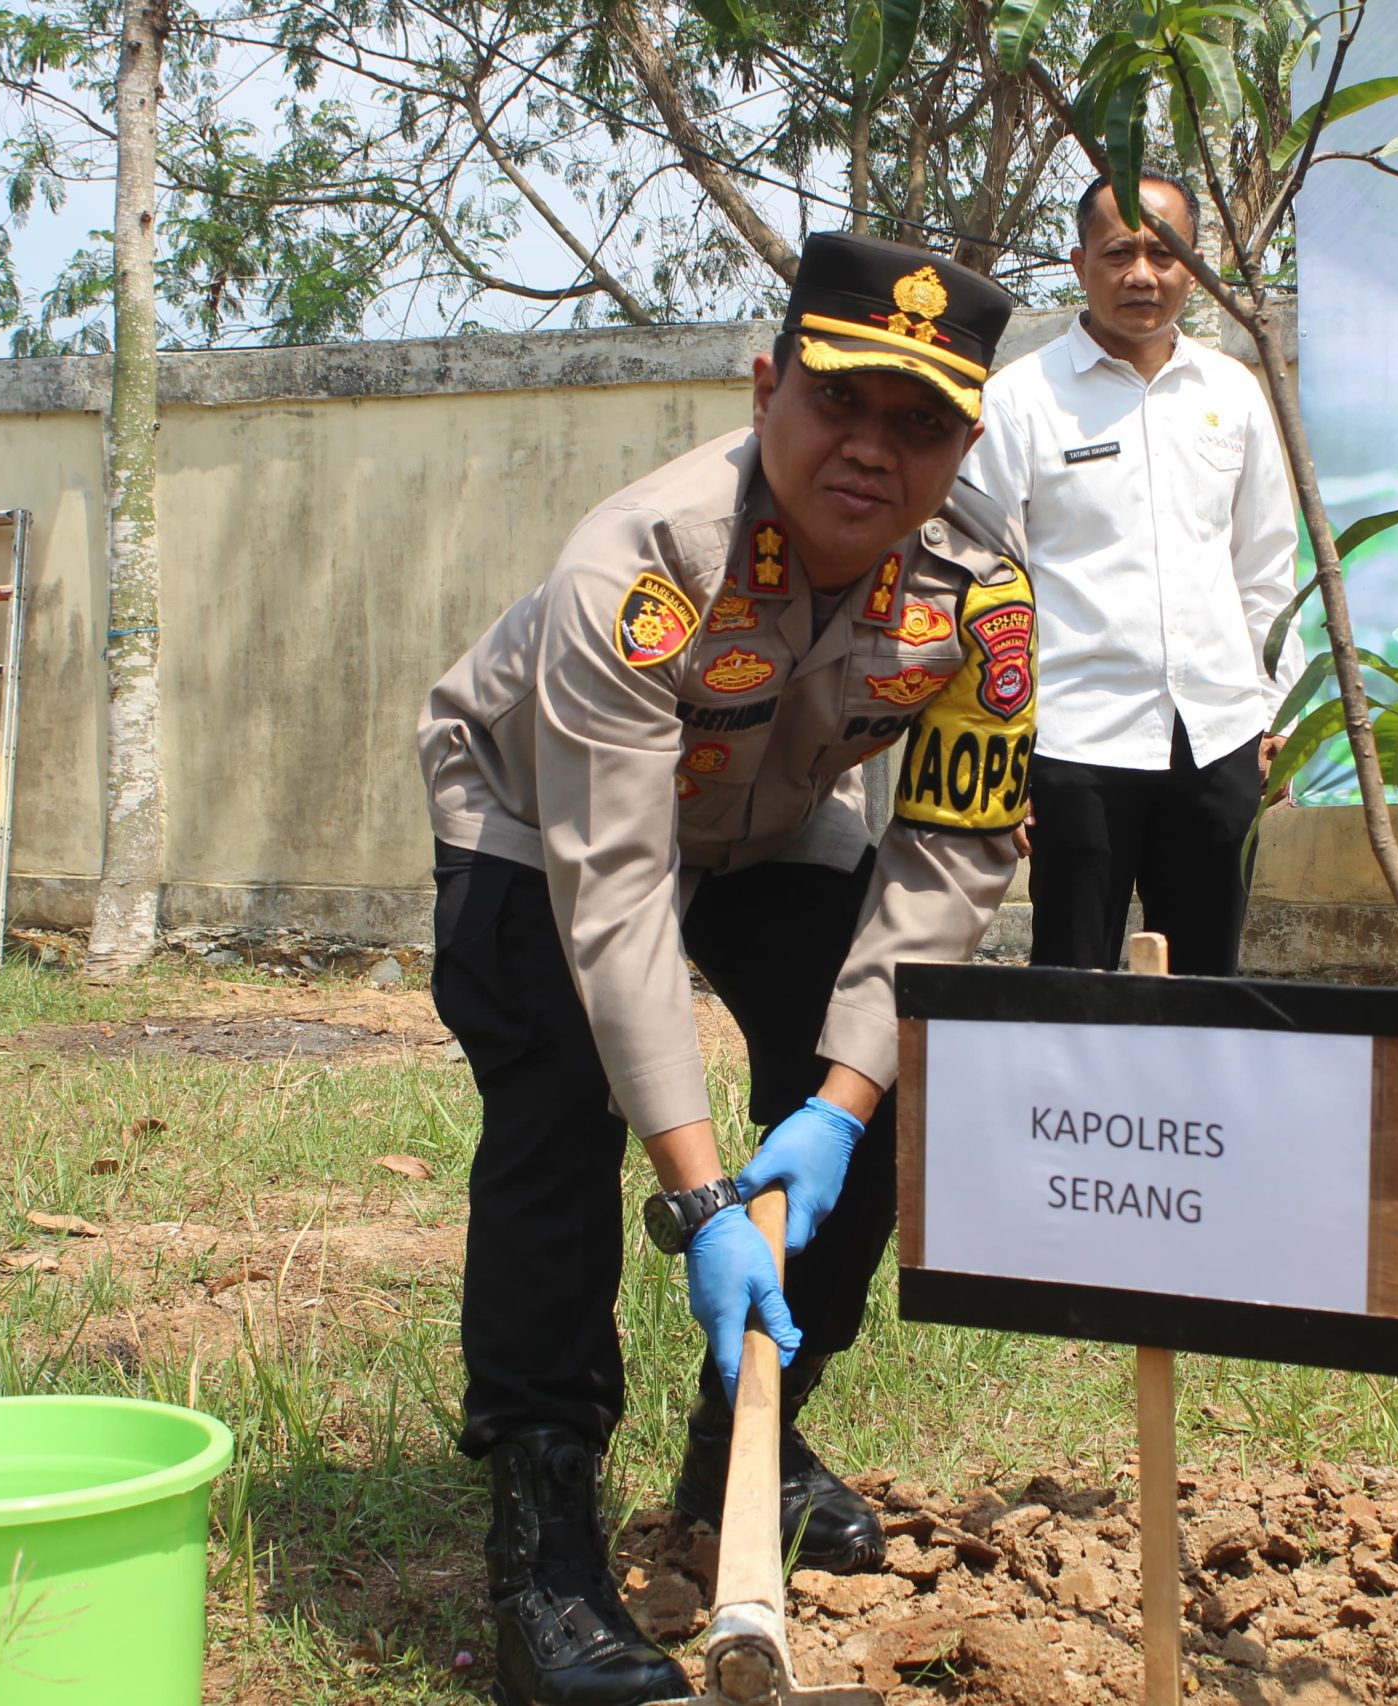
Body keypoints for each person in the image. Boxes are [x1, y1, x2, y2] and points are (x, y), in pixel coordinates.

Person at [418, 232, 1032, 1706]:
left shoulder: (981, 598)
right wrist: (700, 1193)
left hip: (771, 821)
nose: (873, 451)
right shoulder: (639, 561)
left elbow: (950, 857)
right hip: (532, 814)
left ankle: (739, 1446)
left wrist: (834, 1103)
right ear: (767, 386)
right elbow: (617, 888)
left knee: (884, 1092)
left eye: (922, 422)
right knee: (561, 1110)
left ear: (965, 444)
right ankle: (544, 1541)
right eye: (841, 402)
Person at [963, 174, 1303, 977]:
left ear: (1193, 264)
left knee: (1206, 984)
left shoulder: (1233, 393)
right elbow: (982, 582)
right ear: (1080, 262)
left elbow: (1266, 565)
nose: (1142, 274)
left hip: (1220, 736)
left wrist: (1277, 715)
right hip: (1075, 743)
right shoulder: (1020, 401)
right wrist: (1002, 754)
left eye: (1163, 251)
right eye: (1119, 252)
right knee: (1071, 983)